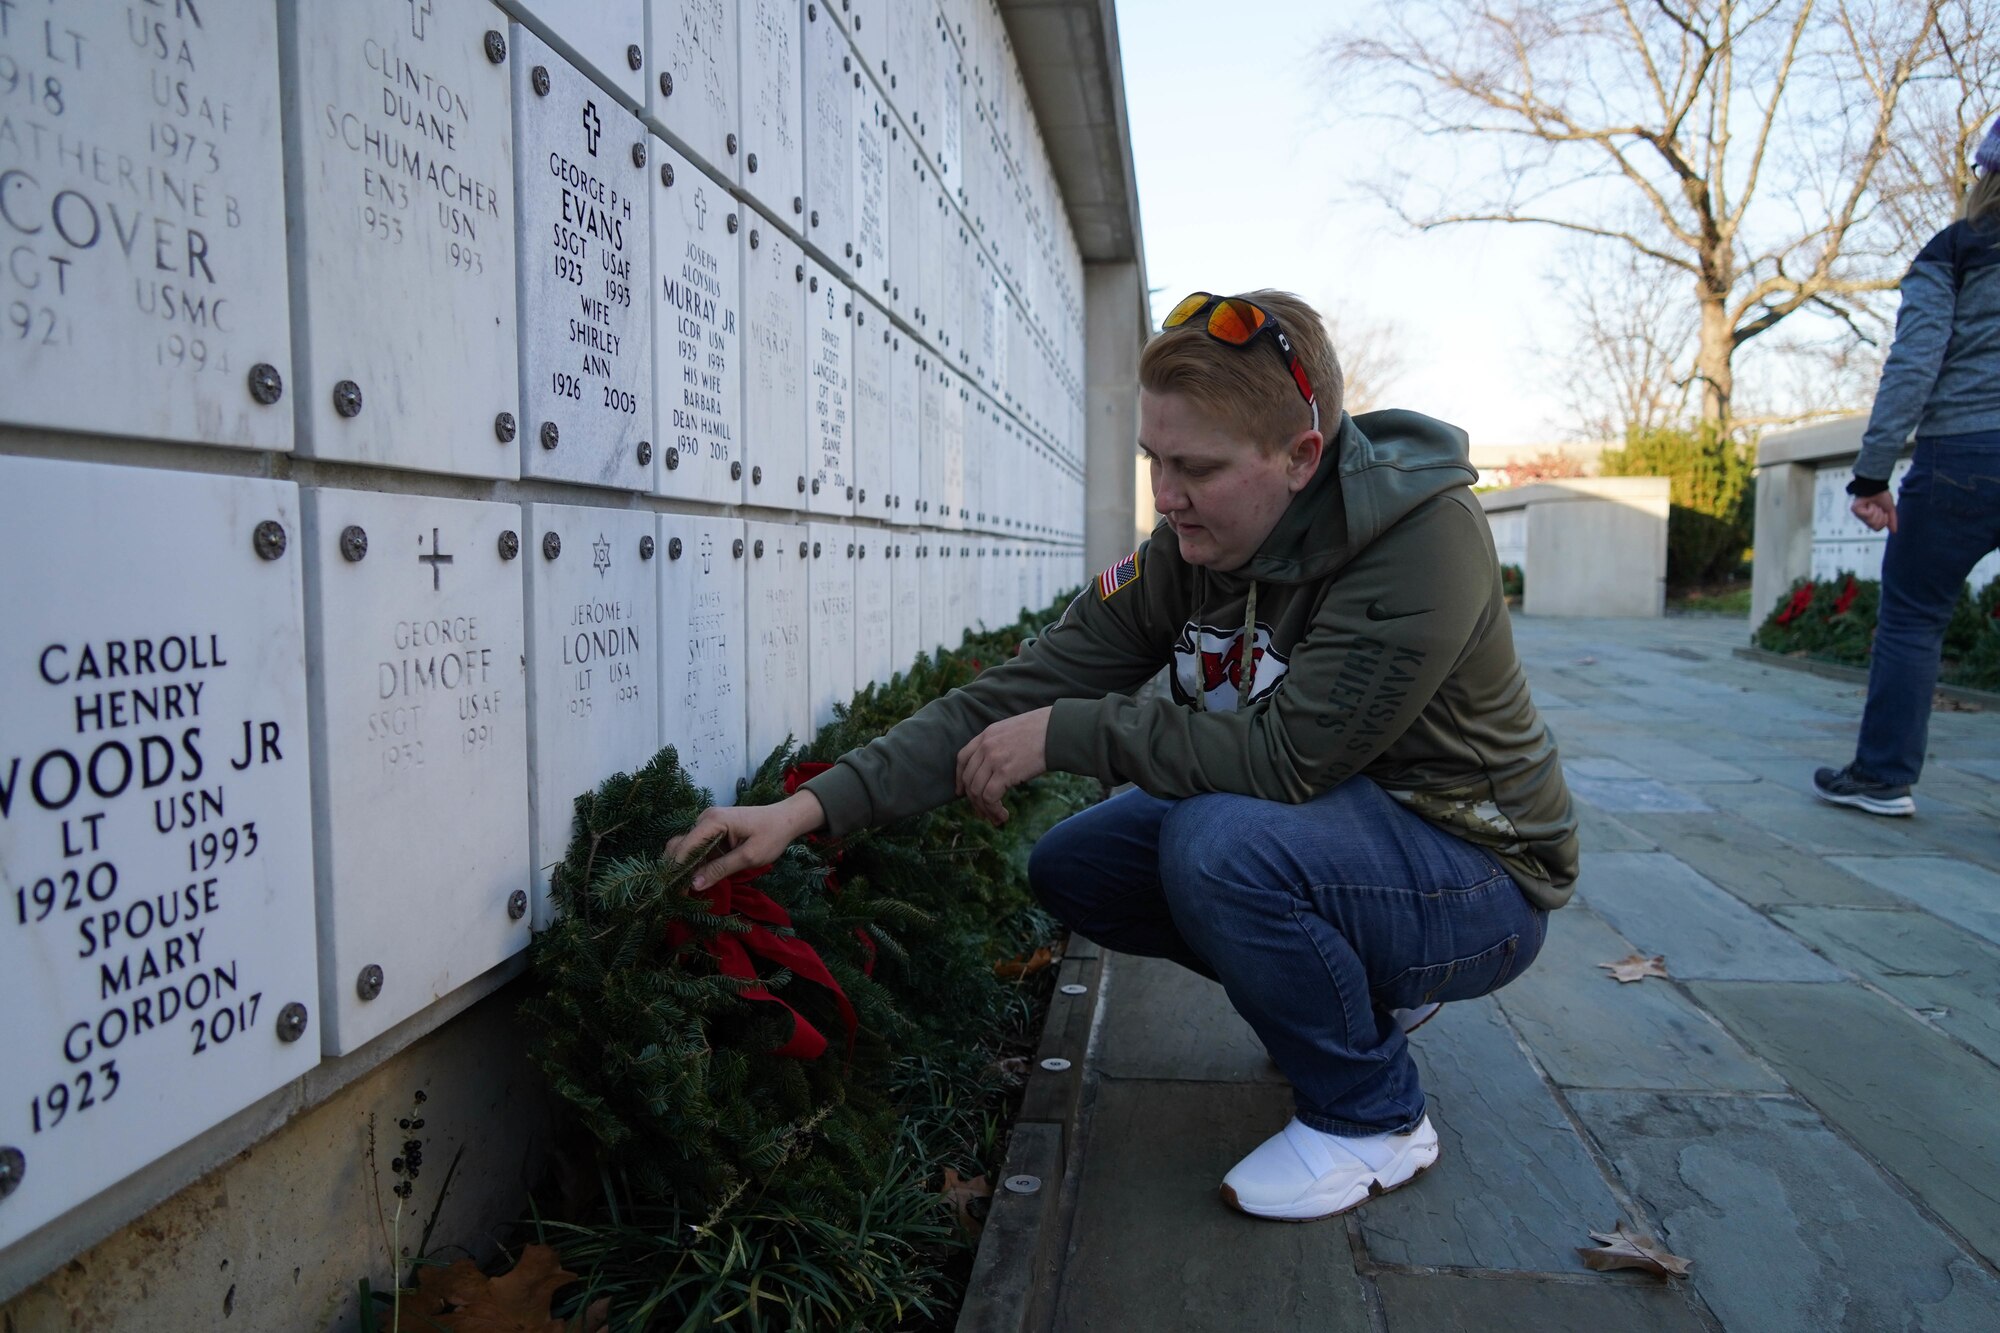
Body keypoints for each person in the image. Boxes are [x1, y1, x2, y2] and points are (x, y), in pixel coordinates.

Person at [668, 289, 1578, 1222]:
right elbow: (1017, 688)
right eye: (1155, 459)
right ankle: (1350, 1001)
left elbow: (1289, 759)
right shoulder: (1192, 545)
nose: (1167, 495)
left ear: (1300, 457)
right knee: (1080, 864)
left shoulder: (1420, 539)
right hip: (1337, 835)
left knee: (1217, 848)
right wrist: (806, 810)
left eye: (1196, 467)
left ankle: (1373, 1114)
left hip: (1475, 871)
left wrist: (1077, 732)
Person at [1815, 118, 2000, 818]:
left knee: (1914, 618)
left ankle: (1884, 776)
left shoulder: (1954, 250)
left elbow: (1915, 363)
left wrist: (1870, 475)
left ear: (1985, 175)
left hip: (1961, 454)